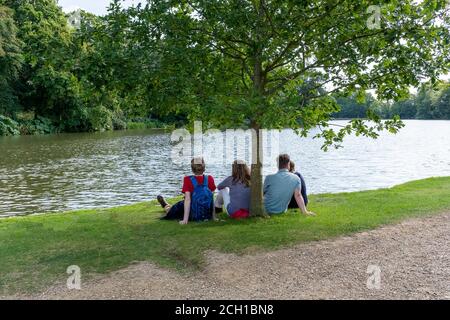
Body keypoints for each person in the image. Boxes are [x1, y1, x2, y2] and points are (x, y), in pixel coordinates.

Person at [157, 157, 216, 225]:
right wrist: (214, 217)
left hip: (191, 214)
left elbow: (187, 200)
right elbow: (211, 199)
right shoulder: (210, 178)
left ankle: (165, 205)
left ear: (192, 169)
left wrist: (185, 220)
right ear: (204, 167)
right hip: (206, 213)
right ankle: (166, 205)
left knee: (173, 210)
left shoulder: (187, 179)